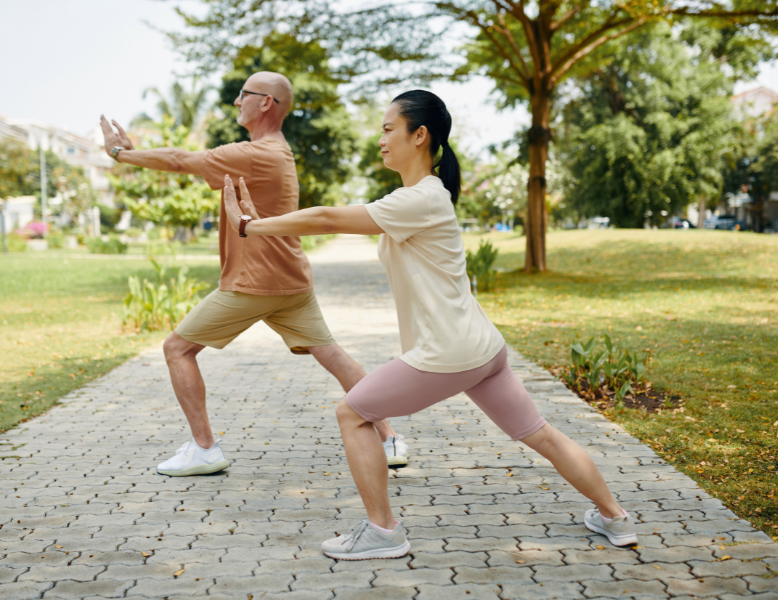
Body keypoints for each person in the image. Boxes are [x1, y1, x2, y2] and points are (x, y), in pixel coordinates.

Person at [221, 89, 639, 559]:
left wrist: (249, 227)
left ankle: (383, 532)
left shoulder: (420, 199)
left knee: (352, 413)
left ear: (419, 136)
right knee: (539, 432)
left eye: (387, 129)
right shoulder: (422, 196)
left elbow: (326, 218)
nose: (379, 139)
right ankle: (615, 518)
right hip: (482, 347)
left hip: (450, 353)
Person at [98, 71, 410, 477]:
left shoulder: (255, 152)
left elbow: (180, 160)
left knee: (177, 349)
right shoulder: (277, 151)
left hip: (254, 283)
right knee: (332, 355)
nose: (235, 102)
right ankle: (389, 439)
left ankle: (204, 448)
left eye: (243, 94)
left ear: (266, 103)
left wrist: (121, 154)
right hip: (291, 282)